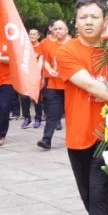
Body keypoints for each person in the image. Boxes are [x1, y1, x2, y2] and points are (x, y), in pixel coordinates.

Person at [53, 0, 108, 215]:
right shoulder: (67, 52)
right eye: (83, 17)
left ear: (105, 21)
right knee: (88, 197)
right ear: (75, 22)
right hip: (79, 135)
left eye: (94, 16)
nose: (88, 21)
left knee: (100, 194)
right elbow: (91, 85)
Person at [37, 19, 70, 150]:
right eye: (55, 29)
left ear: (67, 30)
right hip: (54, 85)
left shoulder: (73, 44)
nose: (57, 31)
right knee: (52, 113)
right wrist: (50, 70)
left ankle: (73, 138)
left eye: (60, 28)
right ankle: (46, 139)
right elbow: (45, 60)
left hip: (70, 86)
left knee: (72, 114)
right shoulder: (49, 44)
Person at [18, 28, 45, 129]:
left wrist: (35, 75)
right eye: (30, 34)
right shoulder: (24, 47)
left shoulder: (41, 46)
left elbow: (41, 61)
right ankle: (26, 118)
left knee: (36, 98)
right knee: (24, 97)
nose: (32, 36)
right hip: (25, 75)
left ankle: (38, 118)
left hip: (36, 76)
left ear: (38, 36)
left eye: (34, 34)